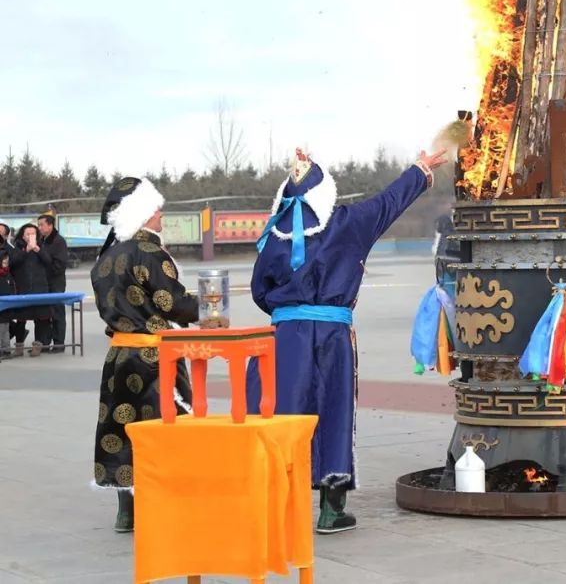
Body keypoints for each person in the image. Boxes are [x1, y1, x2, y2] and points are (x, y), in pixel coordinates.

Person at [246, 147, 447, 534]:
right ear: (326, 194)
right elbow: (388, 203)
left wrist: (287, 310)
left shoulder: (274, 234)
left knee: (284, 411)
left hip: (286, 336)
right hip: (333, 336)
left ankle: (279, 507)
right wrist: (421, 170)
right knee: (333, 409)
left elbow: (259, 290)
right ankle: (331, 510)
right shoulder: (347, 223)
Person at [91, 176, 201, 532]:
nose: (160, 215)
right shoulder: (149, 251)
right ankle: (163, 506)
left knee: (123, 430)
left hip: (119, 356)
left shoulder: (106, 257)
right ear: (141, 214)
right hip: (155, 359)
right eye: (155, 209)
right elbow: (173, 302)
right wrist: (211, 310)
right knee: (164, 431)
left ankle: (126, 512)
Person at [9, 223, 53, 356]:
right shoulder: (17, 248)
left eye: (33, 234)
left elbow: (48, 261)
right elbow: (13, 262)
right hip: (23, 289)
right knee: (21, 319)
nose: (30, 236)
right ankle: (19, 346)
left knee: (41, 318)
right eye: (28, 234)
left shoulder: (41, 247)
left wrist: (37, 250)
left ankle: (37, 346)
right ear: (23, 235)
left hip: (40, 289)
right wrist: (26, 250)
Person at [36, 212, 69, 353]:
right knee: (44, 313)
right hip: (43, 283)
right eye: (39, 225)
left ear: (50, 225)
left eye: (42, 225)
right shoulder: (41, 240)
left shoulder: (58, 241)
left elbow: (59, 265)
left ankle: (58, 342)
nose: (40, 228)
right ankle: (44, 342)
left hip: (55, 282)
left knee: (57, 312)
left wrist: (42, 256)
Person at [0, 248, 13, 360]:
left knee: (5, 329)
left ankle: (6, 350)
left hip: (6, 308)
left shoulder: (8, 275)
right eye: (4, 262)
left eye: (7, 262)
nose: (6, 264)